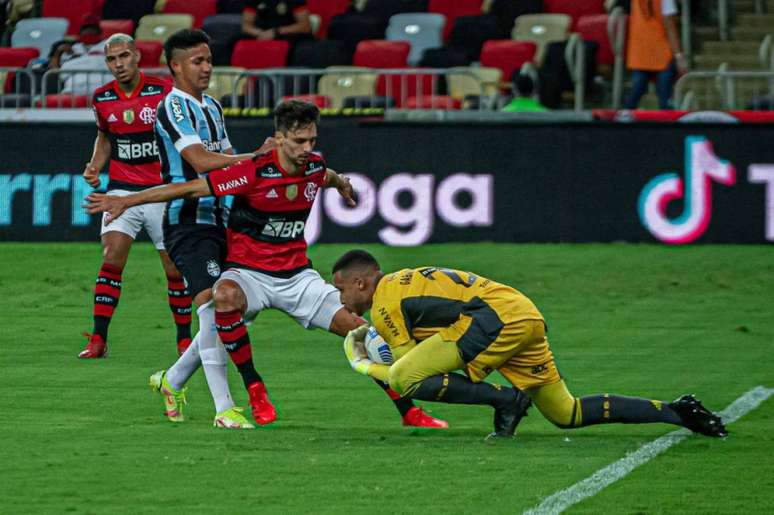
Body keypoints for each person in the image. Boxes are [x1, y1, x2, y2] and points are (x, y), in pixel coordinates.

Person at [85, 100, 449, 430]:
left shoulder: (314, 166)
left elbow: (328, 174)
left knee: (360, 332)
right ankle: (255, 389)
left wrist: (343, 185)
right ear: (278, 140)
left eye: (312, 140)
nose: (308, 149)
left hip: (298, 277)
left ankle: (409, 412)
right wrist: (130, 201)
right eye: (299, 141)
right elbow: (190, 189)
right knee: (222, 297)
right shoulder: (252, 171)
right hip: (249, 274)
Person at [331, 250, 728, 439]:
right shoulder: (405, 280)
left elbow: (408, 369)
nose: (341, 298)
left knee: (405, 377)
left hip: (493, 320)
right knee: (565, 413)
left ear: (362, 282)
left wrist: (365, 364)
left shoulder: (384, 304)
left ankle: (506, 401)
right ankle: (678, 412)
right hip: (520, 311)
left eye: (341, 288)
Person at [154, 28, 269, 429]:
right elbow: (202, 162)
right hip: (188, 222)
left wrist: (255, 165)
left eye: (208, 59)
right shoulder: (173, 107)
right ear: (176, 65)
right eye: (197, 61)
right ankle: (224, 409)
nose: (206, 67)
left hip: (223, 221)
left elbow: (229, 163)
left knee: (236, 310)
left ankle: (172, 380)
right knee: (210, 308)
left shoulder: (213, 108)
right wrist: (258, 156)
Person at [78, 33, 193, 360]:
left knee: (173, 269)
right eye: (112, 60)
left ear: (137, 56)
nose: (119, 64)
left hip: (161, 191)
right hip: (120, 191)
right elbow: (105, 138)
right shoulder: (102, 98)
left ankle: (184, 339)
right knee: (111, 256)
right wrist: (94, 166)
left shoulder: (164, 92)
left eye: (124, 56)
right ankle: (98, 339)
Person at [623, 0, 687, 109]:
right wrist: (679, 56)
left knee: (633, 97)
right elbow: (670, 27)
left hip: (640, 55)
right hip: (661, 56)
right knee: (664, 100)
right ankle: (667, 125)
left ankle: (621, 123)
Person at [241, 0, 313, 43]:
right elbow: (246, 25)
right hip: (261, 33)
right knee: (234, 41)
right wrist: (260, 33)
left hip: (287, 34)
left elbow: (305, 26)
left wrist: (276, 32)